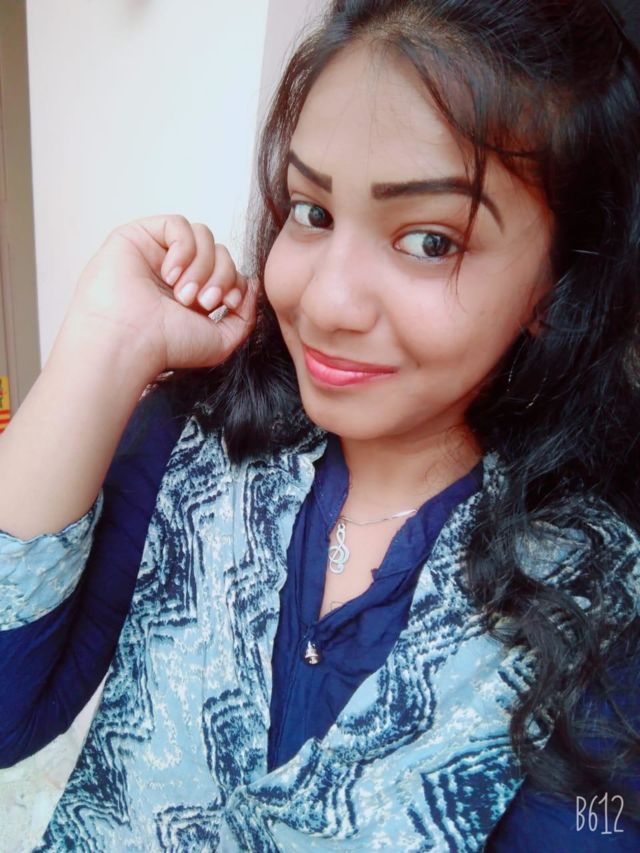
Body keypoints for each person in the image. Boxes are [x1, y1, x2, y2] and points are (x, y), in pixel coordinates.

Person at [1, 0, 640, 849]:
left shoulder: (599, 600)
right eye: (312, 212)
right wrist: (104, 345)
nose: (327, 302)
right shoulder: (196, 436)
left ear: (558, 285)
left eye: (430, 240)